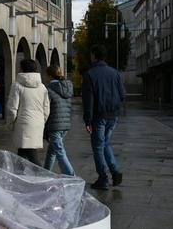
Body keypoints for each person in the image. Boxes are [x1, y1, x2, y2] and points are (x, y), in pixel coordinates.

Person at [82, 44, 125, 189]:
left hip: (98, 116)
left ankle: (103, 178)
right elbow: (122, 95)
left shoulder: (90, 74)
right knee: (105, 143)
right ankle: (115, 171)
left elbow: (88, 100)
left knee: (98, 147)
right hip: (113, 115)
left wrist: (87, 120)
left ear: (94, 55)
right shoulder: (115, 73)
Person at [6, 59, 50, 165]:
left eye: (20, 67)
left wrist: (10, 123)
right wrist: (41, 121)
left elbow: (12, 109)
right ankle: (18, 175)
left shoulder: (17, 85)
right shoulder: (42, 87)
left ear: (22, 69)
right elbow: (47, 109)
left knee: (31, 155)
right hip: (38, 123)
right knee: (22, 152)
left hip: (23, 124)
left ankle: (42, 177)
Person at [43, 65, 75, 176]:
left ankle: (72, 176)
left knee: (60, 152)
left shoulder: (49, 89)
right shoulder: (67, 87)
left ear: (50, 75)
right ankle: (45, 172)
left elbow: (46, 109)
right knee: (52, 151)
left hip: (55, 124)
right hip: (65, 125)